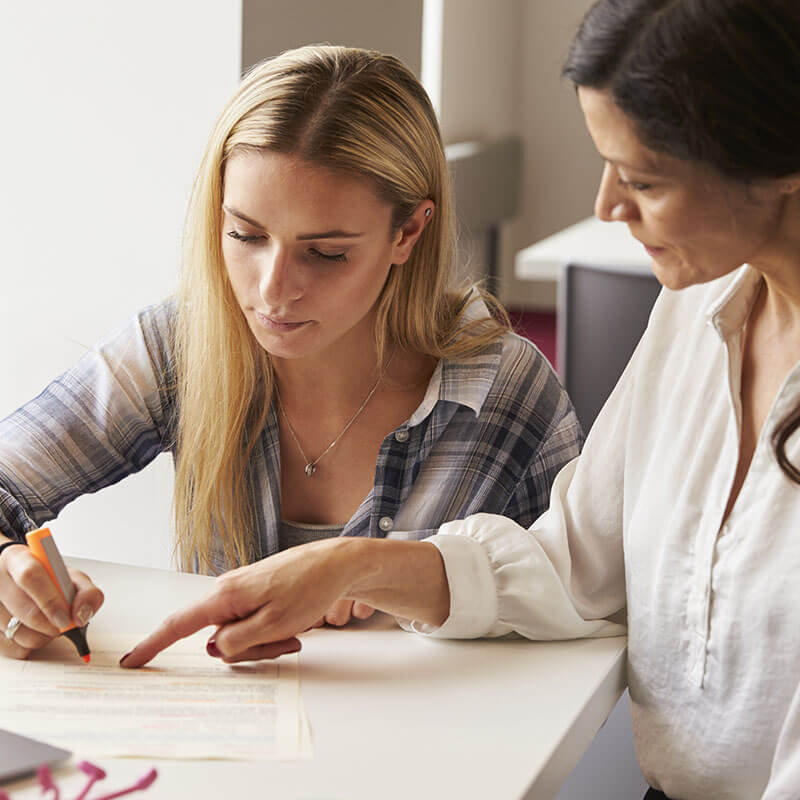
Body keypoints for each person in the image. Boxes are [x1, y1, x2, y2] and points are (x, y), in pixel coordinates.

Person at [118, 2, 800, 798]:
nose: (607, 205)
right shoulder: (694, 313)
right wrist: (351, 563)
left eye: (643, 178)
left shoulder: (507, 383)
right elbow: (576, 564)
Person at [0, 46, 581, 662]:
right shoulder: (182, 345)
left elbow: (592, 604)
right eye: (246, 235)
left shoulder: (506, 389)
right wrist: (12, 577)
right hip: (222, 746)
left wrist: (404, 578)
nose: (272, 289)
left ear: (408, 232)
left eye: (325, 253)